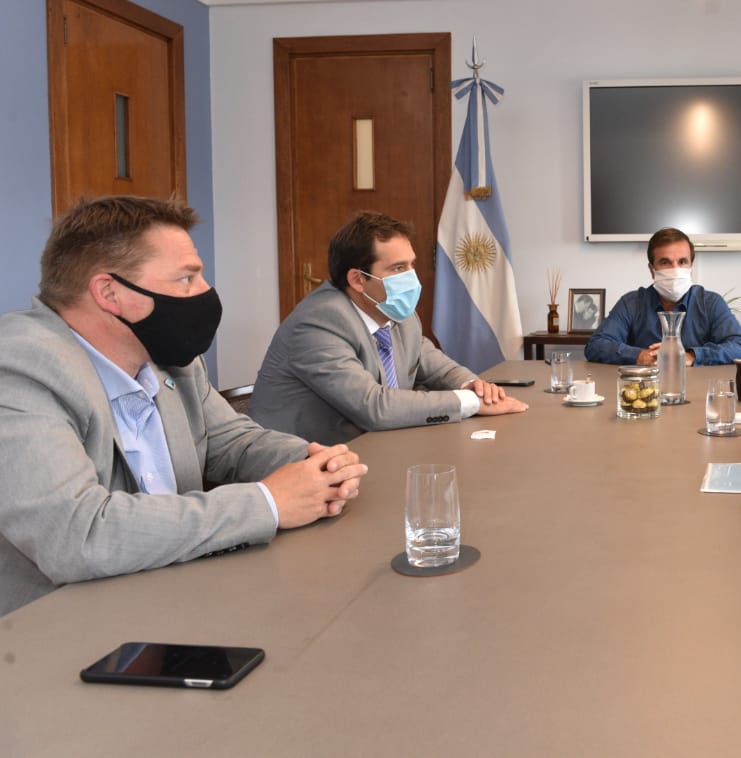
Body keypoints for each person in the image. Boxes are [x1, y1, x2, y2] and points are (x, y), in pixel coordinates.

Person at [0, 196, 367, 616]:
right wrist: (267, 503)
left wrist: (314, 465)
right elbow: (75, 534)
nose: (206, 292)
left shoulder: (170, 358)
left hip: (177, 593)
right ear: (109, 292)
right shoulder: (20, 368)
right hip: (58, 626)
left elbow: (231, 442)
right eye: (187, 278)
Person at [250, 211, 527, 445]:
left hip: (374, 449)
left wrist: (473, 386)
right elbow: (374, 407)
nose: (411, 277)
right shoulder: (319, 322)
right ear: (358, 280)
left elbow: (433, 364)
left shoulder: (395, 311)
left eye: (411, 265)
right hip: (298, 463)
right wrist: (469, 403)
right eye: (397, 268)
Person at [584, 227, 741, 366]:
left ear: (691, 266)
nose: (675, 269)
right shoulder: (632, 303)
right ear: (652, 269)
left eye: (682, 262)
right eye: (665, 262)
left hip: (698, 388)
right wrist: (640, 355)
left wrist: (691, 356)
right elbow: (596, 345)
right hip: (645, 388)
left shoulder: (710, 303)